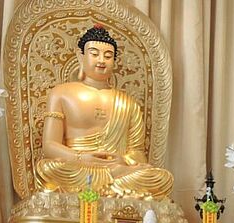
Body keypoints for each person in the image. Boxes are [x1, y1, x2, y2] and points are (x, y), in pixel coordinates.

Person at [36, 24, 174, 199]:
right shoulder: (61, 93)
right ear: (81, 56)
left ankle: (104, 186)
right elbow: (49, 146)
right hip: (77, 167)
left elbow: (137, 151)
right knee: (47, 169)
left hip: (117, 169)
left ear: (114, 61)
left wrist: (124, 160)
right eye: (94, 54)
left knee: (160, 178)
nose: (101, 60)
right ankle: (111, 190)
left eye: (108, 56)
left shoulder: (128, 103)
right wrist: (81, 158)